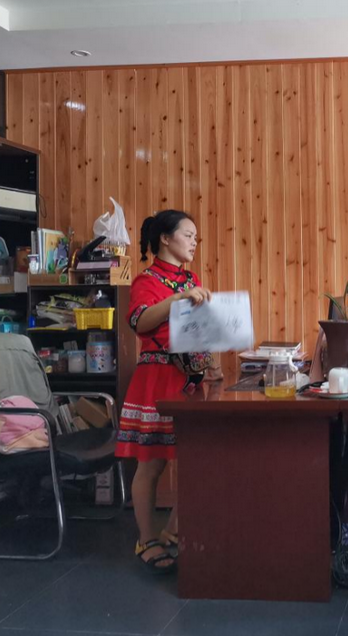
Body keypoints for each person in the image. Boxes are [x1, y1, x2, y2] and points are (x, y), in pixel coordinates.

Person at [116, 209, 212, 575]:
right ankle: (146, 538)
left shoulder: (190, 279)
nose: (194, 242)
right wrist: (176, 300)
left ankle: (172, 529)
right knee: (152, 464)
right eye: (188, 235)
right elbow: (139, 321)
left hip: (188, 378)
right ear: (165, 239)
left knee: (195, 459)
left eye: (196, 237)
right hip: (157, 378)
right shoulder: (147, 280)